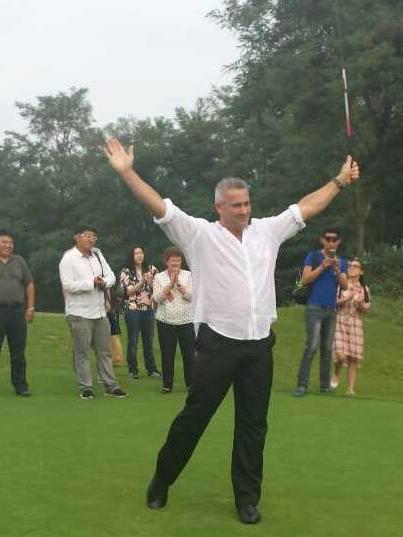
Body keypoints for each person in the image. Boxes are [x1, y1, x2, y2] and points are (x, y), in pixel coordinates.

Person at [103, 137, 359, 525]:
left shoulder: (268, 232)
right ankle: (161, 480)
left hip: (259, 347)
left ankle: (247, 499)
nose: (244, 210)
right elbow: (159, 205)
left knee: (253, 426)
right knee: (194, 418)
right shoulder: (199, 234)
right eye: (236, 205)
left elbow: (307, 205)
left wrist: (339, 181)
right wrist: (126, 172)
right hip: (217, 345)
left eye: (247, 203)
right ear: (218, 207)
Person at [59, 226, 127, 400]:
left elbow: (111, 275)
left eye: (94, 236)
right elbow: (68, 285)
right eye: (88, 236)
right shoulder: (69, 259)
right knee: (81, 352)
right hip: (79, 313)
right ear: (77, 238)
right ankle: (86, 387)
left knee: (104, 351)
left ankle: (110, 385)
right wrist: (91, 283)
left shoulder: (97, 254)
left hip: (100, 312)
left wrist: (104, 282)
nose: (92, 239)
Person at [293, 229, 348, 397]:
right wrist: (322, 267)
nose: (331, 242)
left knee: (327, 348)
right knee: (312, 346)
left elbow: (345, 285)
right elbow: (304, 279)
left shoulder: (342, 262)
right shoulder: (314, 256)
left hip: (331, 310)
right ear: (322, 240)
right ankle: (302, 385)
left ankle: (324, 386)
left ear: (338, 242)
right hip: (314, 308)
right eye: (328, 239)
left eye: (334, 239)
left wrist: (337, 269)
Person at [153, 246, 194, 394]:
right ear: (166, 262)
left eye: (178, 260)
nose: (176, 263)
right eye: (173, 260)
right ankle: (167, 385)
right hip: (165, 321)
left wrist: (178, 284)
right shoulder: (159, 277)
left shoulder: (188, 275)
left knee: (189, 354)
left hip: (187, 321)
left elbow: (191, 297)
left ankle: (190, 384)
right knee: (167, 354)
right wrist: (169, 285)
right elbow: (156, 298)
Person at [0, 230, 35, 397]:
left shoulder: (19, 261)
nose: (8, 245)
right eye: (4, 242)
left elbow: (29, 284)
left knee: (18, 351)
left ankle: (20, 385)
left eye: (10, 243)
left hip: (17, 311)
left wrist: (30, 307)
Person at [119, 246, 161, 379]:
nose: (139, 256)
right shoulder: (126, 271)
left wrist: (150, 283)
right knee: (133, 340)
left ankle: (152, 369)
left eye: (141, 253)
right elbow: (128, 291)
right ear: (132, 256)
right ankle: (133, 370)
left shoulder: (152, 270)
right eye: (136, 253)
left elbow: (158, 290)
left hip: (148, 309)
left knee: (148, 341)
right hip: (132, 309)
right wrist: (142, 282)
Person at [331, 258, 371, 396]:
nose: (351, 268)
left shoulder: (364, 289)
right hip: (340, 320)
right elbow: (333, 302)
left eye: (355, 266)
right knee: (342, 356)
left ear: (361, 271)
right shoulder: (342, 284)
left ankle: (350, 389)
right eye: (349, 266)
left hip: (355, 323)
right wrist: (345, 299)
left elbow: (366, 308)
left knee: (353, 358)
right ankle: (336, 373)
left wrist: (360, 304)